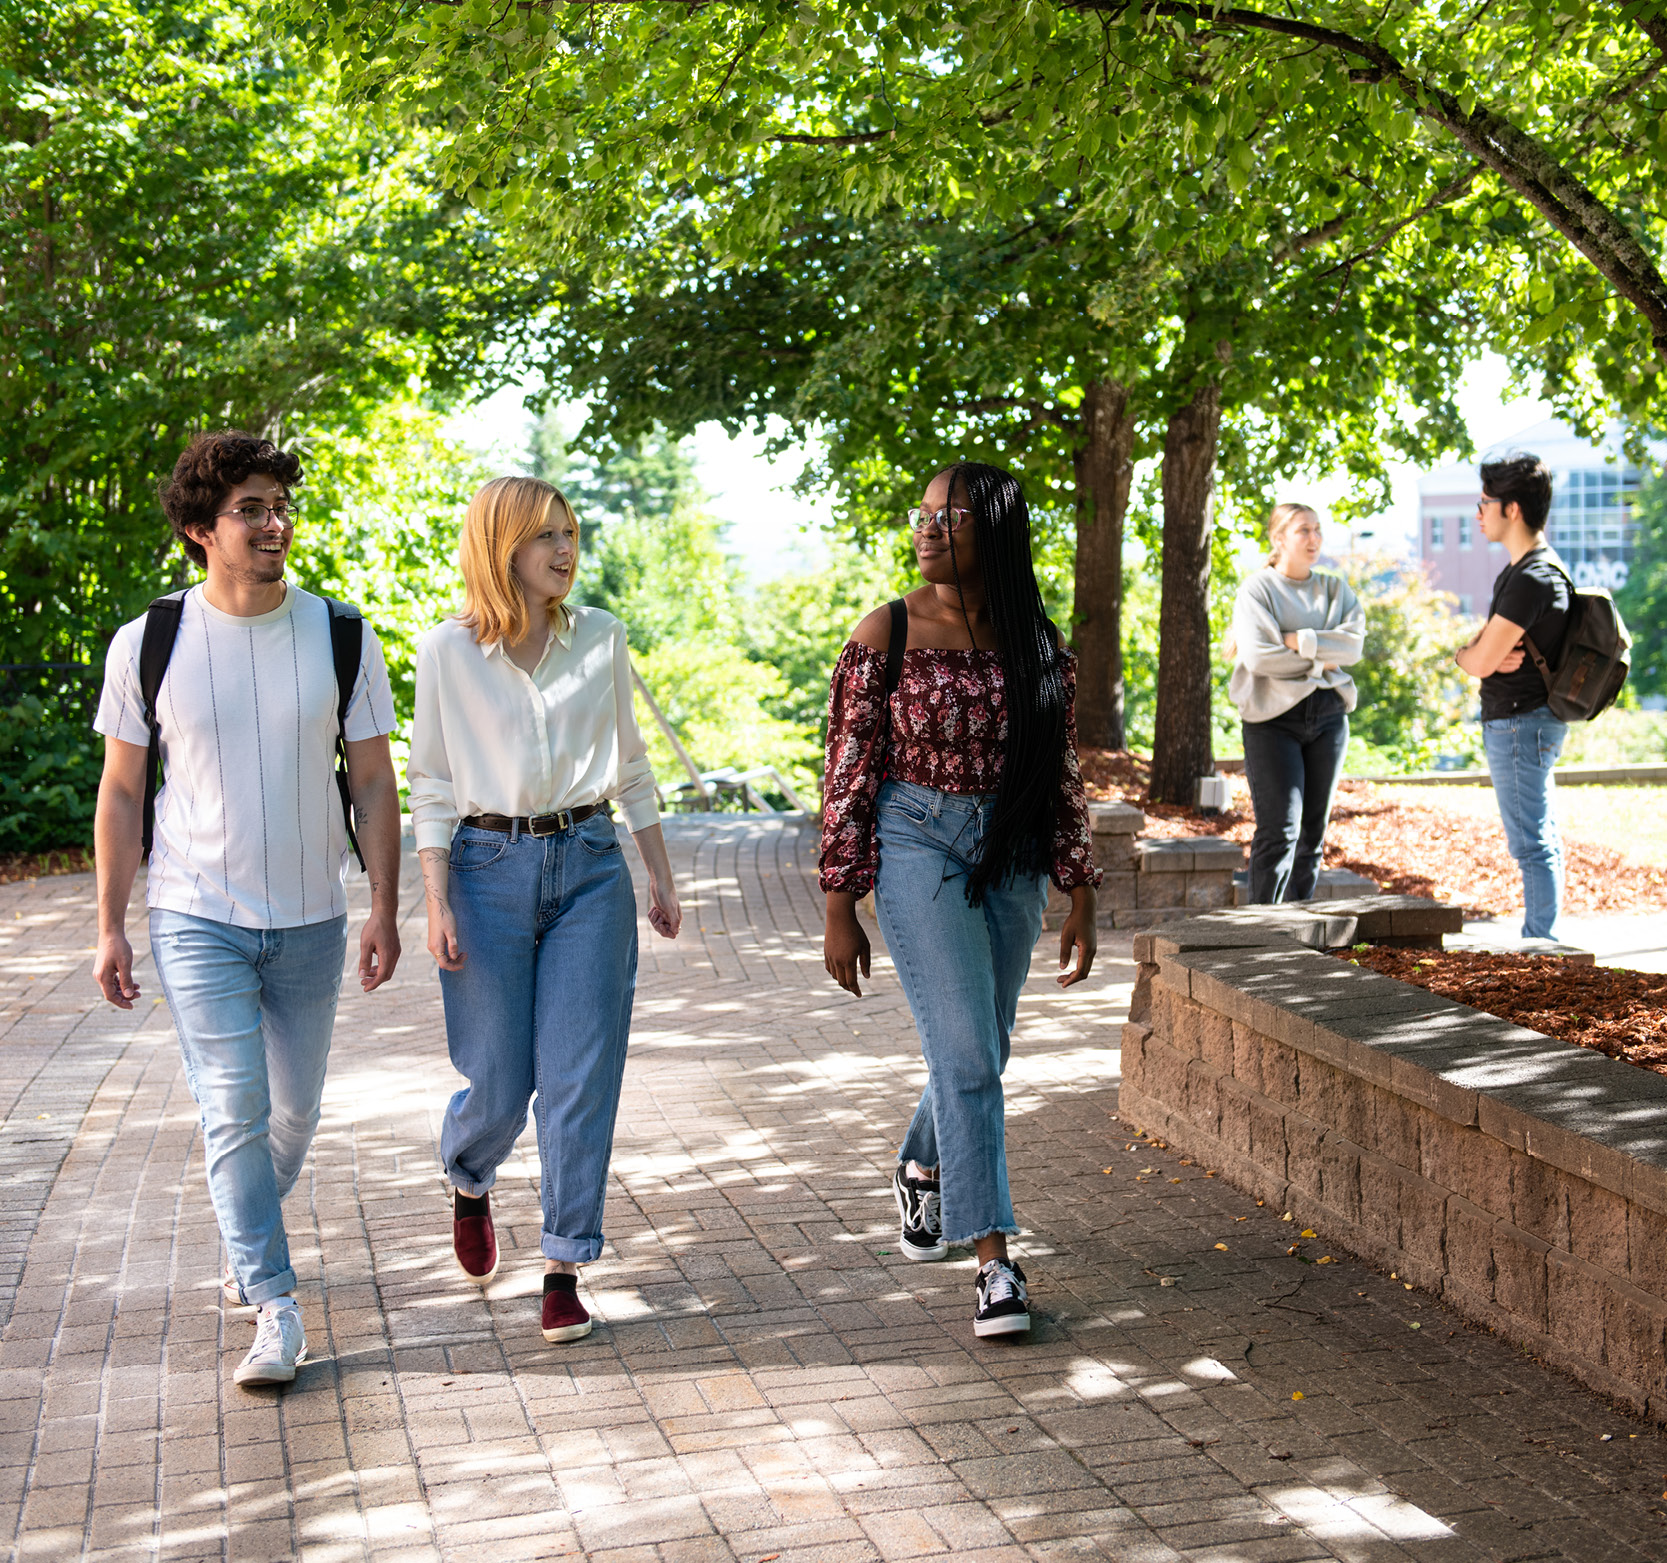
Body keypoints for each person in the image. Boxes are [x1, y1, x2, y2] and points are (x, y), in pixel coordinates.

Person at [92, 430, 403, 1388]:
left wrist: (385, 904)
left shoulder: (340, 632)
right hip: (194, 913)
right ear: (200, 530)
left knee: (293, 1115)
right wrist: (109, 920)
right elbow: (120, 791)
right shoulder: (150, 641)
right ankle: (274, 1305)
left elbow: (375, 782)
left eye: (279, 505)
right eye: (250, 510)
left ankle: (244, 1228)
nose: (274, 523)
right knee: (233, 1109)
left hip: (310, 914)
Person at [820, 461, 1100, 1340]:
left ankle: (921, 1162)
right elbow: (848, 770)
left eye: (955, 516)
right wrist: (841, 898)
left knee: (985, 1043)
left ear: (999, 533)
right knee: (970, 1059)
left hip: (1011, 850)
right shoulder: (886, 630)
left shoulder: (1038, 643)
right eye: (925, 513)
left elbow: (1059, 769)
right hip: (917, 841)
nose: (931, 527)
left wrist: (1079, 884)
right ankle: (994, 1267)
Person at [407, 475, 682, 1344]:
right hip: (485, 871)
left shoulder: (601, 636)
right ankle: (470, 1173)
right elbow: (433, 784)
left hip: (591, 865)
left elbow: (631, 763)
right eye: (545, 537)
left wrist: (661, 875)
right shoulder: (445, 652)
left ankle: (563, 1263)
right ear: (502, 549)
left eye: (570, 533)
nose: (565, 550)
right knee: (497, 1080)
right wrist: (435, 898)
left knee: (578, 1075)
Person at [1455, 454, 1571, 941]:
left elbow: (1481, 660)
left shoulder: (1530, 579)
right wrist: (1478, 650)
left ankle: (1541, 945)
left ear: (1513, 509)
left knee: (1530, 842)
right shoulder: (1524, 571)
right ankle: (1542, 940)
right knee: (1537, 833)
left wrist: (1466, 654)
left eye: (1485, 503)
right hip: (1524, 721)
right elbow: (1485, 650)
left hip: (1521, 723)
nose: (1478, 513)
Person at [1228, 503, 1366, 904]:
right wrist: (1323, 656)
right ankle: (1260, 934)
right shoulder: (1258, 590)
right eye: (1303, 530)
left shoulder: (1335, 589)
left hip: (1328, 717)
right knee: (1279, 833)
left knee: (1312, 836)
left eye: (1318, 529)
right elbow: (1259, 658)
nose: (1314, 539)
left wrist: (1298, 640)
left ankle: (1295, 939)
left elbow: (1353, 646)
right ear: (1279, 538)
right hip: (1272, 722)